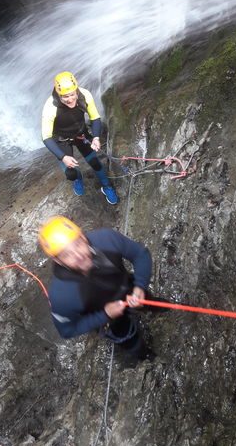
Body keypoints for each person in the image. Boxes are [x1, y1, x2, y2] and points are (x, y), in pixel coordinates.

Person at [39, 215, 154, 361]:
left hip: (132, 290)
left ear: (82, 236)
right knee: (133, 343)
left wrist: (140, 286)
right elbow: (67, 330)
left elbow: (140, 254)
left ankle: (159, 309)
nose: (78, 255)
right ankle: (146, 357)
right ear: (57, 260)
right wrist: (105, 315)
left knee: (152, 303)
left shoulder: (107, 239)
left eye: (77, 244)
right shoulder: (61, 296)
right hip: (111, 321)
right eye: (67, 254)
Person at [41, 71, 119, 205]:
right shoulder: (50, 107)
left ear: (76, 90)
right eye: (65, 96)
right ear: (59, 94)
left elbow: (95, 118)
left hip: (80, 134)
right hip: (61, 139)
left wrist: (95, 138)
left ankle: (107, 186)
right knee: (70, 173)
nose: (70, 99)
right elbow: (46, 137)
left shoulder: (84, 95)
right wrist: (63, 157)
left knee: (95, 162)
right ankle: (78, 178)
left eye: (72, 94)